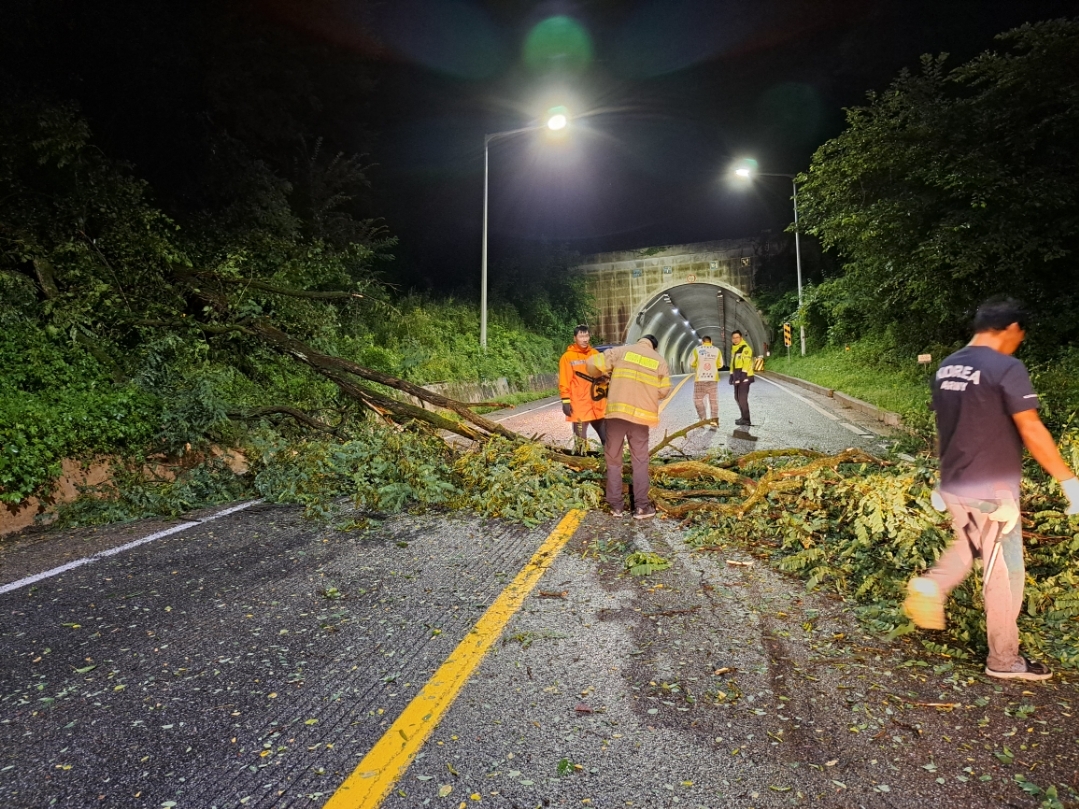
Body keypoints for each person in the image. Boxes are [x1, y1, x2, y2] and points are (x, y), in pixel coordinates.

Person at [903, 297, 1079, 681]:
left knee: (967, 547)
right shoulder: (1006, 367)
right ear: (1012, 329)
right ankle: (1004, 660)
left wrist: (941, 476)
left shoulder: (947, 366)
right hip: (994, 491)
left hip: (956, 482)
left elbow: (948, 425)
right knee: (1005, 573)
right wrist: (1069, 482)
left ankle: (933, 583)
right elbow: (1030, 429)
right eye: (1021, 336)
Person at [587, 335, 671, 520]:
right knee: (640, 461)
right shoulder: (659, 360)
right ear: (654, 348)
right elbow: (664, 390)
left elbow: (591, 363)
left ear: (639, 341)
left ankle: (616, 506)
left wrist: (602, 375)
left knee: (613, 460)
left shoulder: (621, 351)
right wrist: (646, 392)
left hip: (616, 414)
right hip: (640, 417)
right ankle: (641, 507)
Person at [558, 325, 607, 450]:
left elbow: (604, 375)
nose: (584, 339)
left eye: (586, 336)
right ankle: (581, 467)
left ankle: (613, 464)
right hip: (579, 405)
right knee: (580, 442)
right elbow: (565, 380)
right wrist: (565, 401)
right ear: (575, 338)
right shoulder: (567, 357)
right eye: (581, 336)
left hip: (597, 403)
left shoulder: (595, 354)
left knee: (608, 438)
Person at [689, 336, 720, 428]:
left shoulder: (697, 350)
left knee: (698, 400)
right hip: (713, 378)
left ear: (702, 342)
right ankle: (714, 421)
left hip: (700, 379)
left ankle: (703, 420)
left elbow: (692, 363)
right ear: (711, 341)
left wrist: (698, 365)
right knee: (713, 401)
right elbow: (720, 364)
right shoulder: (717, 350)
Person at [729, 330, 755, 426]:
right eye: (733, 338)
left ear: (741, 338)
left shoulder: (745, 348)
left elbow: (747, 362)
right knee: (737, 397)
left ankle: (746, 419)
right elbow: (733, 364)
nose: (735, 339)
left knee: (742, 398)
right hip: (736, 375)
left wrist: (743, 374)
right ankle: (743, 417)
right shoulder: (734, 349)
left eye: (737, 337)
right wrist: (731, 375)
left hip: (744, 376)